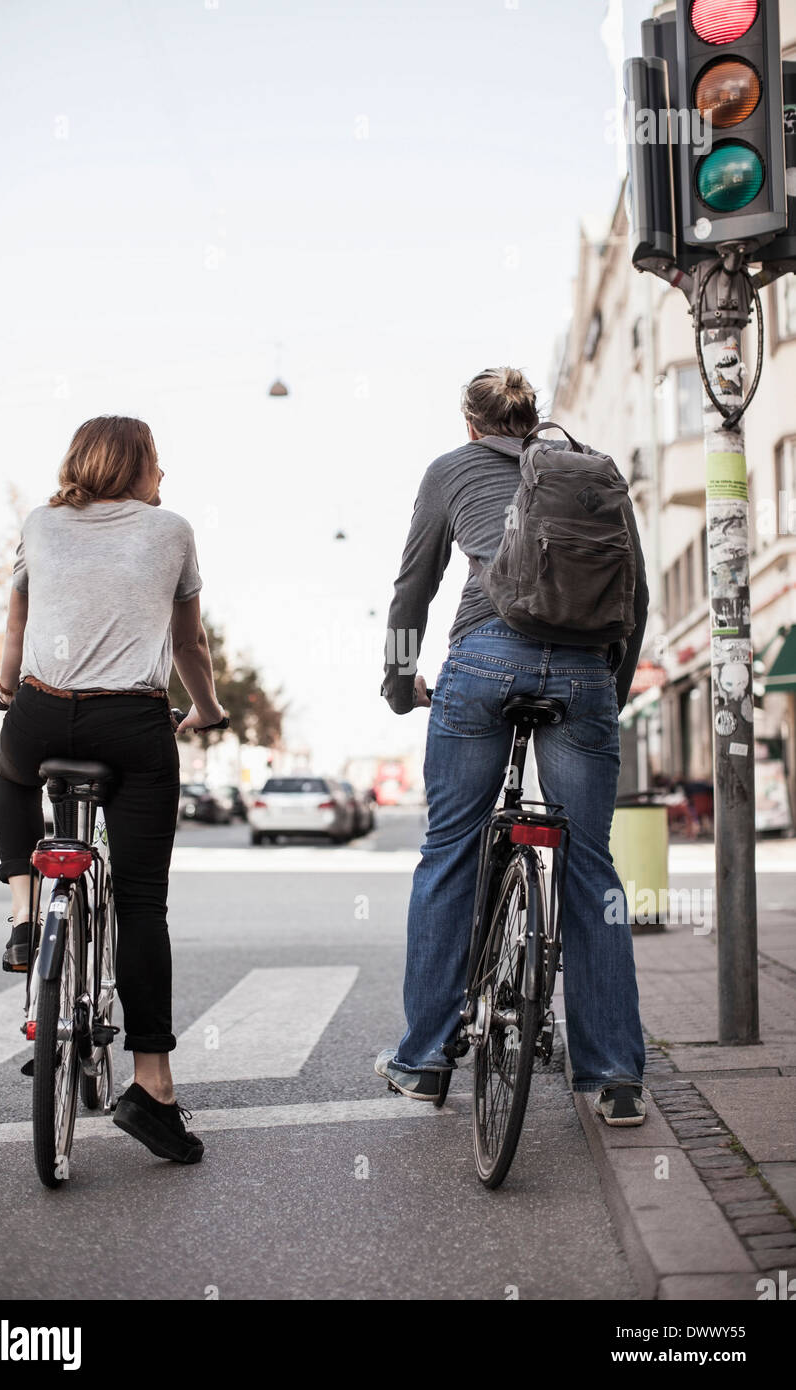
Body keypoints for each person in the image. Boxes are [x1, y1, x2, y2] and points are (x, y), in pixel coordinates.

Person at [376, 368, 649, 1126]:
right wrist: (605, 690)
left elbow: (412, 590)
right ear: (534, 422)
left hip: (484, 659)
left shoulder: (450, 470)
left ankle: (424, 1061)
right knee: (590, 863)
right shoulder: (592, 470)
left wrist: (400, 677)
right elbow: (639, 594)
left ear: (471, 423)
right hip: (585, 672)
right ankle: (614, 1077)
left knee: (450, 849)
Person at [0, 415, 227, 1163]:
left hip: (39, 715)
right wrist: (211, 710)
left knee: (9, 776)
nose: (165, 477)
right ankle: (152, 1087)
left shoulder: (40, 522)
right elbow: (189, 643)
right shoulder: (171, 530)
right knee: (140, 903)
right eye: (158, 462)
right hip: (132, 727)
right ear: (135, 467)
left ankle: (27, 911)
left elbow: (19, 619)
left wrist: (8, 686)